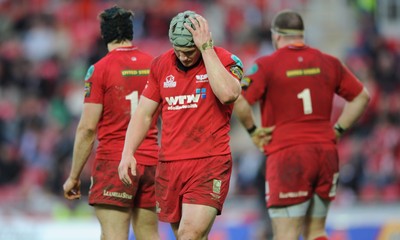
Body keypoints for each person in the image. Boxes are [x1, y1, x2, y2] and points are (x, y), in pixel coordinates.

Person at [234, 9, 370, 240]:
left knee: (286, 233)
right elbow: (362, 96)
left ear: (276, 36)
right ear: (302, 35)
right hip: (325, 154)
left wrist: (253, 131)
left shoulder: (266, 65)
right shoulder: (329, 62)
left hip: (288, 155)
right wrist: (338, 129)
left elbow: (239, 99)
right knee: (316, 231)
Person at [118, 10, 242, 240]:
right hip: (170, 166)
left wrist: (206, 50)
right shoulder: (160, 66)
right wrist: (127, 152)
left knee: (189, 234)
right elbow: (144, 114)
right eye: (179, 51)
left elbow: (228, 95)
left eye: (189, 51)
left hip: (209, 162)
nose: (184, 57)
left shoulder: (226, 60)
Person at [62, 6, 160, 240]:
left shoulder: (100, 70)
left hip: (114, 162)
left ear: (104, 35)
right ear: (131, 32)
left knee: (113, 235)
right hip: (151, 162)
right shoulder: (154, 65)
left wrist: (74, 176)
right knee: (149, 235)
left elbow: (87, 128)